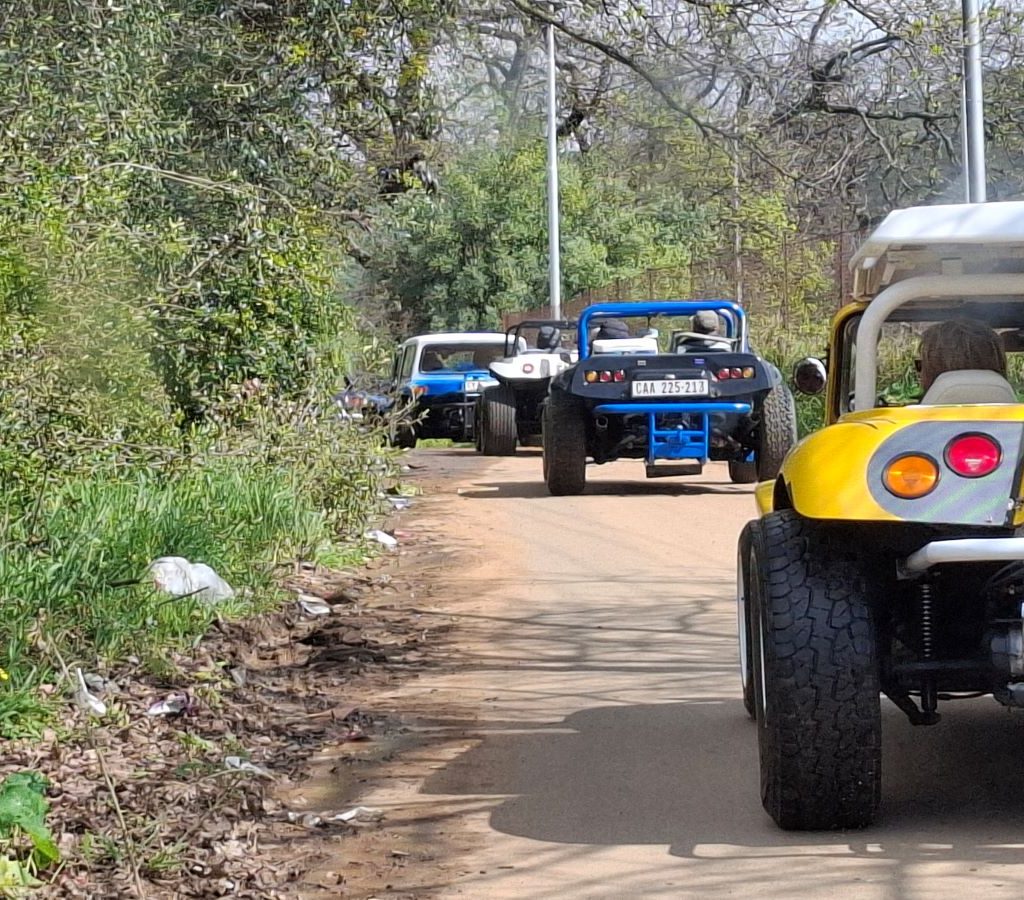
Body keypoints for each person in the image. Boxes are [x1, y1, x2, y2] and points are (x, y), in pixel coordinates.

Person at [916, 318, 1014, 404]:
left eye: (920, 366)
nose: (919, 376)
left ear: (931, 371)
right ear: (1000, 366)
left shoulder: (907, 422)